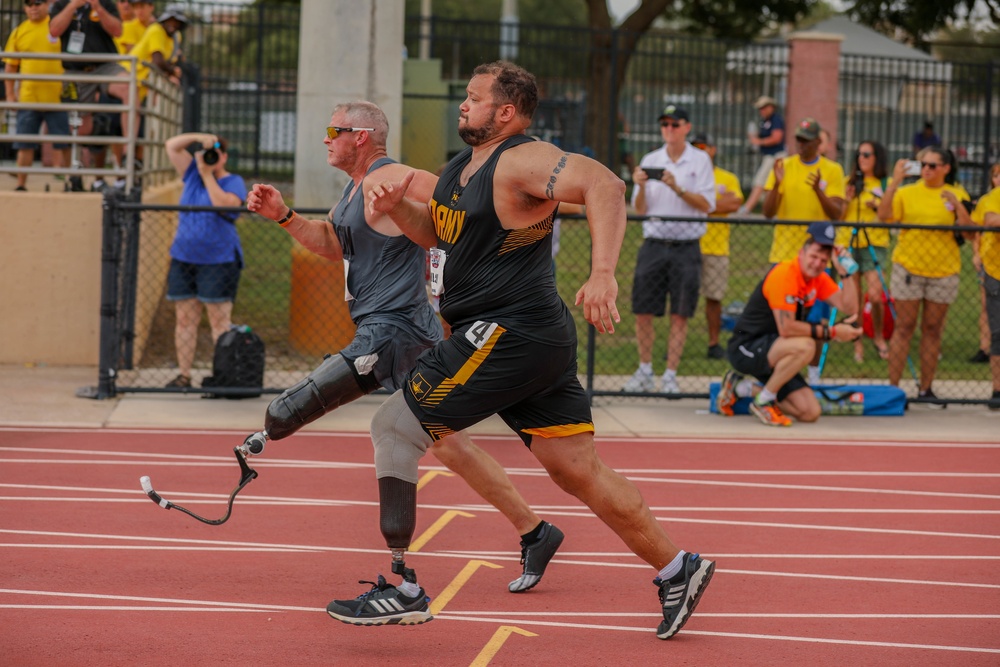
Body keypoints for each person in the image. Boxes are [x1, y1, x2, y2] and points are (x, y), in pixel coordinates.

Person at [324, 61, 714, 640]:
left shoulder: (522, 159)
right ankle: (679, 567)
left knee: (393, 427)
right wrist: (395, 206)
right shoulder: (463, 168)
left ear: (505, 112)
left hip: (509, 331)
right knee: (576, 469)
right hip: (534, 337)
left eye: (474, 97)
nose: (463, 104)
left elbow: (605, 185)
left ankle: (402, 586)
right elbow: (439, 231)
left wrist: (603, 271)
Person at [243, 101, 564, 595]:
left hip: (398, 331)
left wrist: (516, 215)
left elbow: (462, 196)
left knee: (351, 406)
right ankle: (535, 531)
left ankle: (399, 571)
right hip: (388, 328)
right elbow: (334, 243)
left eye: (335, 130)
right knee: (447, 443)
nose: (326, 138)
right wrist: (283, 215)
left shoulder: (393, 175)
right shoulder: (352, 191)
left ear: (364, 137)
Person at [717, 221, 861, 426]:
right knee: (807, 345)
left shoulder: (817, 278)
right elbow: (787, 328)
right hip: (747, 347)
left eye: (823, 260)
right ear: (802, 253)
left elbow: (850, 307)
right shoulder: (785, 274)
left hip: (776, 349)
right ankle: (763, 402)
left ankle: (741, 387)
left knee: (810, 412)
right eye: (813, 256)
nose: (817, 263)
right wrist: (834, 332)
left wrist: (846, 272)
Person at [622, 104, 716, 393]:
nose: (669, 130)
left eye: (675, 125)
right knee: (643, 310)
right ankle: (645, 369)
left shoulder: (700, 160)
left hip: (686, 246)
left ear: (687, 127)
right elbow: (640, 209)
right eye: (665, 125)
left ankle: (670, 375)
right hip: (654, 244)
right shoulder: (652, 158)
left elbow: (707, 205)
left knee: (680, 312)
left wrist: (678, 188)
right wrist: (638, 185)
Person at [878, 146, 972, 404]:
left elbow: (969, 233)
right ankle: (893, 390)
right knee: (904, 328)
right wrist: (894, 182)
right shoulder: (907, 192)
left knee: (932, 330)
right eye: (923, 165)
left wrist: (957, 207)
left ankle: (926, 389)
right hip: (909, 268)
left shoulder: (957, 193)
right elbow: (883, 216)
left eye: (932, 165)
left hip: (943, 271)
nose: (927, 170)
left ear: (945, 168)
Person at [162, 132, 247, 389]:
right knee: (185, 319)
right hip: (184, 258)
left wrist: (209, 174)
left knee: (219, 321)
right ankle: (184, 375)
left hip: (218, 260)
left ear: (225, 157)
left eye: (218, 152)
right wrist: (201, 138)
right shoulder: (191, 174)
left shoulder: (233, 182)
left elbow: (227, 206)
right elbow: (172, 145)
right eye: (210, 152)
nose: (213, 157)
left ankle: (222, 376)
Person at [49, 0, 127, 192]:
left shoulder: (105, 4)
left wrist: (98, 7)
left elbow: (118, 31)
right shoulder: (62, 5)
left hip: (105, 66)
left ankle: (127, 153)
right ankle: (77, 174)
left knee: (128, 88)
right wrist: (73, 6)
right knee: (81, 129)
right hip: (77, 72)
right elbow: (54, 31)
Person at [3, 0, 72, 192]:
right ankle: (21, 184)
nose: (33, 7)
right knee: (25, 144)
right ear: (25, 8)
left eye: (38, 3)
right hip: (28, 98)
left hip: (57, 98)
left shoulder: (57, 26)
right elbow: (11, 65)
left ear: (46, 5)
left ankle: (69, 181)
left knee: (63, 142)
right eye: (29, 3)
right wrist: (10, 94)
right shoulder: (19, 31)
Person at [762, 118, 846, 263]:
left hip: (817, 256)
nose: (801, 144)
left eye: (806, 140)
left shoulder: (833, 170)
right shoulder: (783, 166)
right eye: (799, 139)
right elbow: (768, 213)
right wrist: (776, 185)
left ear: (818, 142)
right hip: (785, 253)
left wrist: (818, 191)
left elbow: (836, 214)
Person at [692, 131, 743, 360]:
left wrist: (701, 204)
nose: (699, 151)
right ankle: (676, 346)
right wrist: (714, 205)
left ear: (713, 150)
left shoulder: (726, 177)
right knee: (682, 300)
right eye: (694, 146)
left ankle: (713, 344)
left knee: (714, 298)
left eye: (703, 146)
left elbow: (735, 202)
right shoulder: (688, 176)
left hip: (716, 247)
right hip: (689, 243)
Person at [839, 140, 892, 363]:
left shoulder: (885, 183)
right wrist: (847, 200)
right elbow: (838, 217)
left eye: (867, 154)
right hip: (848, 244)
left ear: (877, 158)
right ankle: (857, 342)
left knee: (875, 295)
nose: (862, 158)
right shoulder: (848, 182)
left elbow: (889, 215)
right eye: (859, 154)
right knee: (855, 298)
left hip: (875, 243)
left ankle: (878, 336)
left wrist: (878, 206)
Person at [969, 163, 1000, 409]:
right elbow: (990, 221)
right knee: (997, 331)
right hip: (996, 271)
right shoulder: (993, 198)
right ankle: (998, 390)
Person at [740, 95, 785, 215]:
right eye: (760, 108)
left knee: (759, 181)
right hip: (768, 155)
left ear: (771, 107)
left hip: (776, 156)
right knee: (768, 185)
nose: (762, 111)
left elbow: (777, 138)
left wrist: (759, 141)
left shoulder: (776, 120)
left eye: (764, 107)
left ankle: (747, 208)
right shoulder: (765, 121)